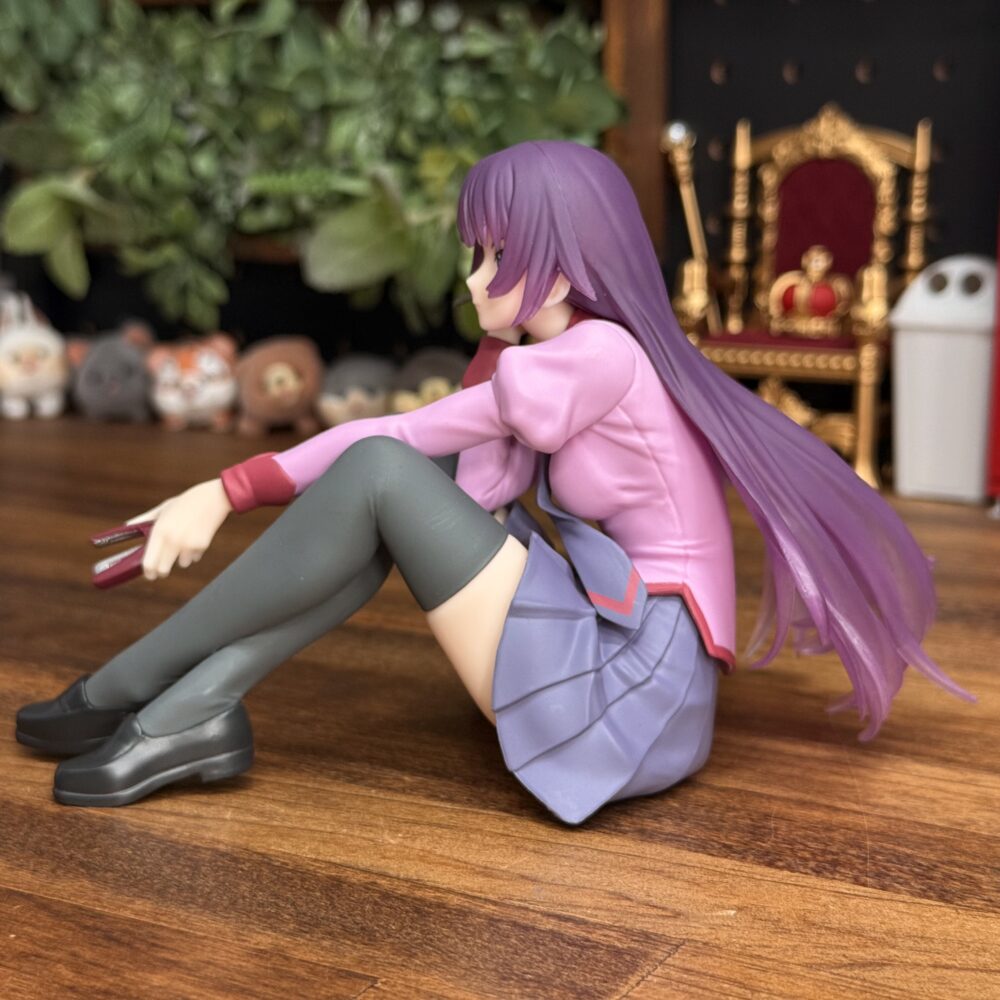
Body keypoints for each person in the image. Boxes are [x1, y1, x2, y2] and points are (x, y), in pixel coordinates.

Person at [15, 141, 972, 824]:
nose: (475, 279)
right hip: (626, 646)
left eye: (499, 256)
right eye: (474, 253)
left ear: (565, 262)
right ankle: (185, 711)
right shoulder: (561, 356)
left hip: (629, 693)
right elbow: (466, 492)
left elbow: (397, 437)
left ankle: (133, 689)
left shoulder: (598, 357)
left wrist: (224, 492)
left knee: (383, 472)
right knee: (384, 497)